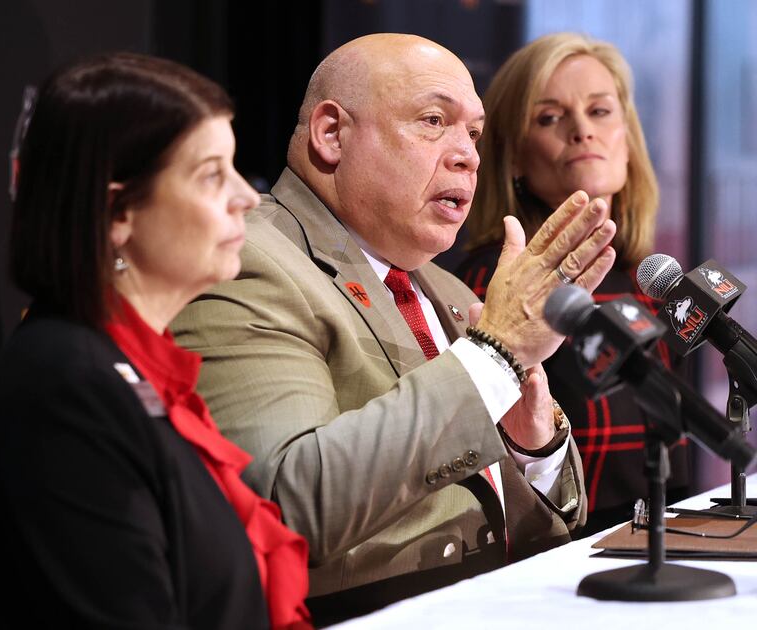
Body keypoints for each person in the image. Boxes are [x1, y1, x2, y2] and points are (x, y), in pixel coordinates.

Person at [172, 33, 616, 621]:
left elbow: (553, 524)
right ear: (332, 135)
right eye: (434, 121)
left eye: (475, 134)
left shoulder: (452, 292)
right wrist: (495, 354)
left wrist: (535, 447)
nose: (467, 155)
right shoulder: (246, 260)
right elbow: (283, 506)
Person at [0, 52, 311, 629]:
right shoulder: (64, 392)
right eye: (211, 175)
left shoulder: (124, 369)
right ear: (117, 210)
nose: (246, 196)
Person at [458, 32, 688, 535]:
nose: (582, 130)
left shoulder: (654, 277)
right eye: (549, 117)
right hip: (561, 553)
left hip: (671, 539)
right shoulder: (490, 279)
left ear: (627, 139)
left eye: (600, 111)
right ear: (514, 156)